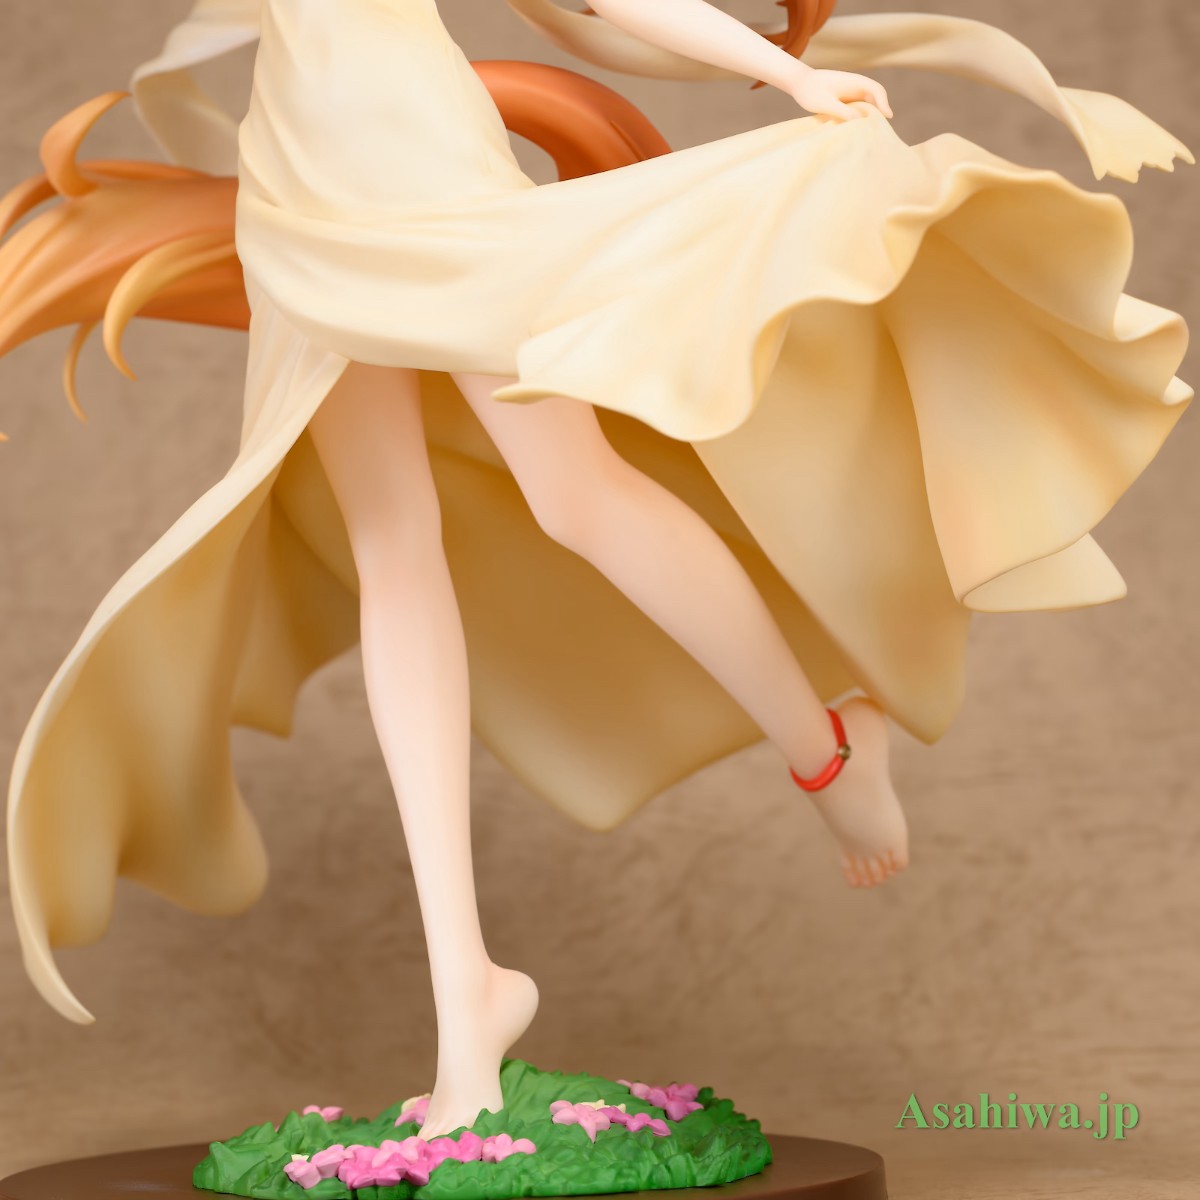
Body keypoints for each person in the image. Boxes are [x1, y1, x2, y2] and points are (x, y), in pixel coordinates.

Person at [1, 0, 1190, 1137]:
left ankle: (826, 749)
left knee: (578, 498)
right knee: (392, 557)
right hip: (300, 207)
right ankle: (465, 994)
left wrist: (789, 75)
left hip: (427, 182)